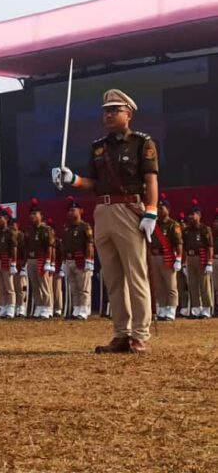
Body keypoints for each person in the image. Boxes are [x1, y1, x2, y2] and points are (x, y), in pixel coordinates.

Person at [52, 88, 158, 353]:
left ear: (129, 114)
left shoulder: (141, 143)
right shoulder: (98, 147)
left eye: (115, 110)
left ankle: (139, 334)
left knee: (135, 274)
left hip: (128, 209)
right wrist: (72, 179)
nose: (109, 114)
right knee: (112, 276)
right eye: (106, 110)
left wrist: (152, 211)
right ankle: (121, 332)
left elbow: (151, 179)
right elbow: (93, 183)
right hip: (103, 210)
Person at [148, 194, 182, 321]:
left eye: (162, 208)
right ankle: (162, 308)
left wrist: (178, 259)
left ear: (168, 210)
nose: (159, 210)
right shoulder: (154, 224)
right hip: (155, 257)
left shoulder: (173, 225)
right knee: (158, 285)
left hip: (167, 257)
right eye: (158, 207)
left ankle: (171, 309)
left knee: (170, 285)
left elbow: (178, 243)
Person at [61, 196, 95, 320]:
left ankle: (84, 310)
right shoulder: (66, 228)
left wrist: (89, 260)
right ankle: (76, 309)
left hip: (81, 259)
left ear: (80, 211)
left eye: (73, 210)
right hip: (69, 260)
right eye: (69, 210)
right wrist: (64, 262)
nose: (70, 212)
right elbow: (63, 246)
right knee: (74, 287)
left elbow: (89, 244)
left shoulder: (84, 227)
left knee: (83, 287)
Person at [182, 199, 214, 318]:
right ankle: (196, 309)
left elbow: (209, 247)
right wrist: (184, 264)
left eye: (193, 214)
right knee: (192, 284)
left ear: (199, 215)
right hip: (190, 258)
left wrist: (209, 262)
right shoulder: (186, 230)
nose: (191, 217)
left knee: (204, 284)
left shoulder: (205, 229)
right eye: (190, 214)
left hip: (201, 258)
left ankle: (206, 309)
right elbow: (184, 248)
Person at [24, 199, 55, 319]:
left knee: (44, 285)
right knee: (35, 285)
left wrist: (48, 262)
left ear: (41, 215)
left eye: (34, 214)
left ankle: (47, 307)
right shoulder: (29, 230)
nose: (32, 216)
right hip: (31, 259)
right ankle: (39, 306)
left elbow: (49, 247)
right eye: (31, 214)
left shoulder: (46, 229)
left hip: (41, 259)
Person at [0, 207, 19, 318]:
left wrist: (13, 263)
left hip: (6, 260)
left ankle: (11, 307)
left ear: (6, 218)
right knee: (0, 287)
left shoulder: (10, 232)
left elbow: (14, 248)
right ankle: (3, 306)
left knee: (9, 286)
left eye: (0, 218)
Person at [10, 218, 28, 317]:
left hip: (20, 264)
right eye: (10, 224)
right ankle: (16, 305)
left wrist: (24, 266)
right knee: (12, 287)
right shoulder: (9, 236)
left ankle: (22, 306)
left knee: (21, 287)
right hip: (10, 264)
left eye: (14, 224)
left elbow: (25, 252)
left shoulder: (21, 237)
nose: (12, 226)